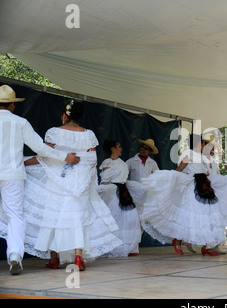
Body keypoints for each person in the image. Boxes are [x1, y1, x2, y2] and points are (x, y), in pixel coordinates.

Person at [1, 101, 122, 272]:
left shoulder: (54, 132)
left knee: (53, 216)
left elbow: (45, 156)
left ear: (64, 116)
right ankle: (79, 256)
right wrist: (81, 177)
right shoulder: (89, 135)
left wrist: (24, 162)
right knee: (77, 218)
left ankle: (54, 259)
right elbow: (92, 161)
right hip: (80, 183)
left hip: (57, 181)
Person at [0, 85, 80, 275]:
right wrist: (64, 157)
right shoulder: (20, 122)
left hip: (11, 173)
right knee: (15, 215)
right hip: (13, 174)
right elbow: (41, 148)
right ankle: (14, 256)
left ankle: (13, 256)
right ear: (12, 104)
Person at [139, 134, 227, 256]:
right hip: (194, 187)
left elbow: (205, 172)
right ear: (199, 143)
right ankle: (179, 240)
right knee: (190, 215)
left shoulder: (202, 157)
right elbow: (181, 168)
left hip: (205, 187)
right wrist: (169, 179)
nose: (205, 146)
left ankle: (210, 245)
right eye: (203, 143)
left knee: (207, 215)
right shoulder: (188, 153)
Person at [98, 140, 144, 257]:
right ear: (113, 149)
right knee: (115, 220)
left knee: (130, 220)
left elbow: (124, 180)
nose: (121, 149)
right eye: (119, 147)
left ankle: (130, 247)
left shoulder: (122, 163)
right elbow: (105, 181)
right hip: (113, 192)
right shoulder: (107, 163)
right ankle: (113, 248)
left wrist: (139, 187)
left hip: (124, 192)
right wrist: (100, 193)